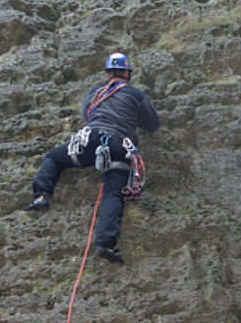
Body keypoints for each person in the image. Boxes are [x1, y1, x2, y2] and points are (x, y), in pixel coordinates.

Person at [25, 52, 160, 264]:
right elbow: (152, 124)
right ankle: (104, 244)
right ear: (127, 73)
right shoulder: (136, 95)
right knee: (113, 194)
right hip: (119, 146)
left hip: (89, 140)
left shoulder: (95, 93)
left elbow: (87, 115)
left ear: (108, 74)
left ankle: (41, 195)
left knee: (54, 157)